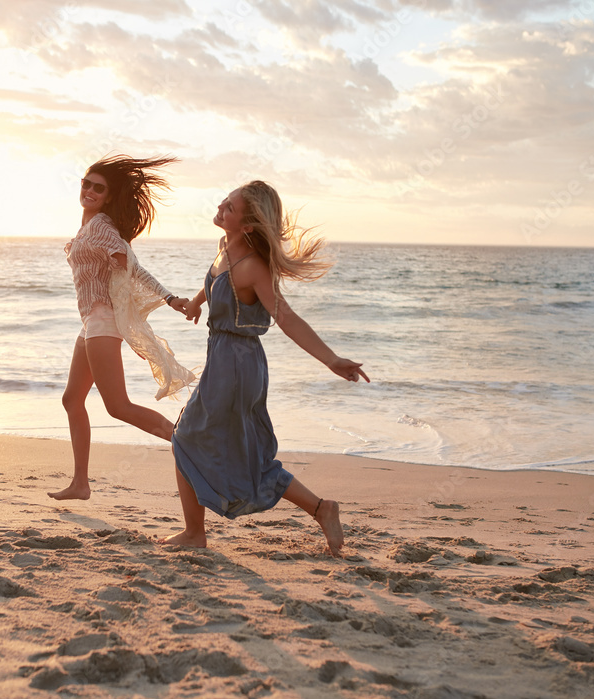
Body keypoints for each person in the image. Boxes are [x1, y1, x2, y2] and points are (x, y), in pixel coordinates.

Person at [165, 181, 369, 556]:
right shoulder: (226, 248)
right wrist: (196, 302)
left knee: (185, 437)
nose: (221, 207)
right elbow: (214, 282)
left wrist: (331, 359)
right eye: (224, 200)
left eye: (230, 208)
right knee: (211, 445)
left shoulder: (253, 267)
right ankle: (322, 509)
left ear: (247, 225)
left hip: (237, 367)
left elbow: (287, 318)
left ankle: (196, 532)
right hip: (225, 360)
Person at [49, 155, 195, 501]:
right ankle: (80, 483)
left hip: (102, 322)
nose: (89, 190)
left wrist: (169, 298)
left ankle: (188, 441)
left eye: (98, 188)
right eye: (86, 183)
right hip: (90, 324)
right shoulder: (89, 226)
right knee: (72, 399)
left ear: (108, 196)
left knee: (117, 406)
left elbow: (131, 266)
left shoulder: (101, 227)